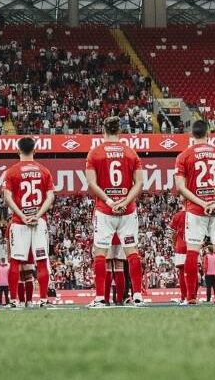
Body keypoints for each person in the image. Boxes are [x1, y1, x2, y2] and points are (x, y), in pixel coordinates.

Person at [86, 116, 145, 307]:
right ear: (119, 131)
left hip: (105, 210)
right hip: (127, 211)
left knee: (100, 253)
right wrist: (125, 201)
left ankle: (99, 298)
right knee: (132, 251)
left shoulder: (95, 153)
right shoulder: (130, 152)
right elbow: (139, 183)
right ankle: (137, 296)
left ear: (103, 130)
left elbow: (91, 184)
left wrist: (110, 201)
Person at [174, 119, 215, 305]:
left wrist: (202, 203)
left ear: (192, 134)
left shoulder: (184, 156)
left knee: (192, 251)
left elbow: (180, 187)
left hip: (195, 210)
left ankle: (191, 297)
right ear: (208, 133)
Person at [2, 136, 54, 308]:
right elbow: (50, 197)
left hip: (19, 222)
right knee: (42, 260)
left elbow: (7, 197)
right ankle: (43, 299)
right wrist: (38, 215)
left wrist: (22, 216)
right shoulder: (44, 171)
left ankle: (13, 300)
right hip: (39, 222)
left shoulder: (12, 171)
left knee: (15, 261)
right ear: (34, 150)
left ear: (18, 150)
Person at [168, 208, 188, 304]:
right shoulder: (195, 213)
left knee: (182, 272)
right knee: (192, 271)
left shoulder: (177, 215)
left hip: (180, 245)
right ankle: (192, 296)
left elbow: (171, 232)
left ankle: (184, 297)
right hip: (194, 245)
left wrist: (174, 243)